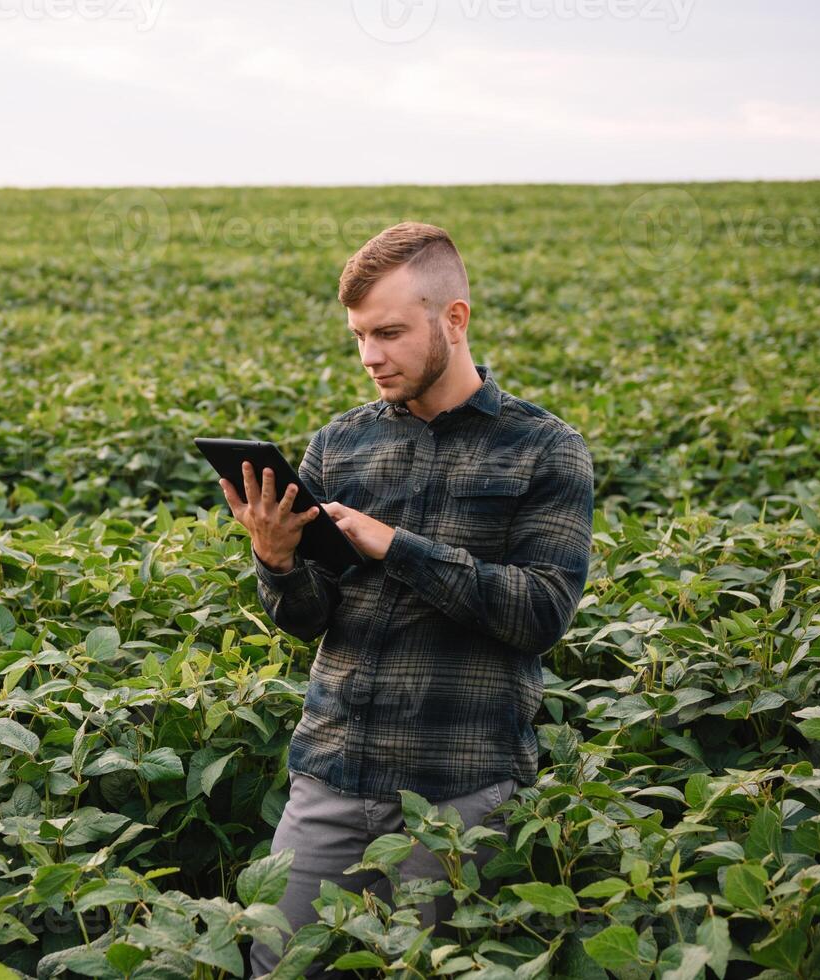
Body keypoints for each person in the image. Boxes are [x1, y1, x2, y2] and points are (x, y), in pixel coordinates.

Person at [218, 222, 594, 979]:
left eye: (388, 332)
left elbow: (540, 613)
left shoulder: (545, 449)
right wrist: (276, 558)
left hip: (459, 795)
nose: (370, 356)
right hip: (331, 771)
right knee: (276, 964)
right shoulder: (339, 445)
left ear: (453, 320)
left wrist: (398, 546)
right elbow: (308, 620)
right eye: (358, 336)